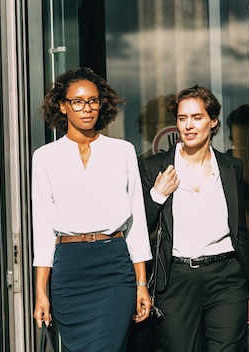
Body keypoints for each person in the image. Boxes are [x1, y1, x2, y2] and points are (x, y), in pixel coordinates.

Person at [32, 67, 153, 351]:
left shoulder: (122, 151)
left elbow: (135, 222)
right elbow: (41, 227)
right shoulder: (45, 157)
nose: (86, 109)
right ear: (62, 106)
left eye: (93, 101)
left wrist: (141, 283)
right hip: (69, 269)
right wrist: (41, 292)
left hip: (113, 265)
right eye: (77, 101)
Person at [139, 85, 249, 351]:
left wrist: (248, 292)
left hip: (226, 277)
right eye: (183, 119)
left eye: (197, 117)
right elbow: (139, 230)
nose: (189, 126)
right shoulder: (155, 167)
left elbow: (240, 232)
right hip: (176, 278)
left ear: (213, 121)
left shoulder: (230, 167)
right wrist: (157, 195)